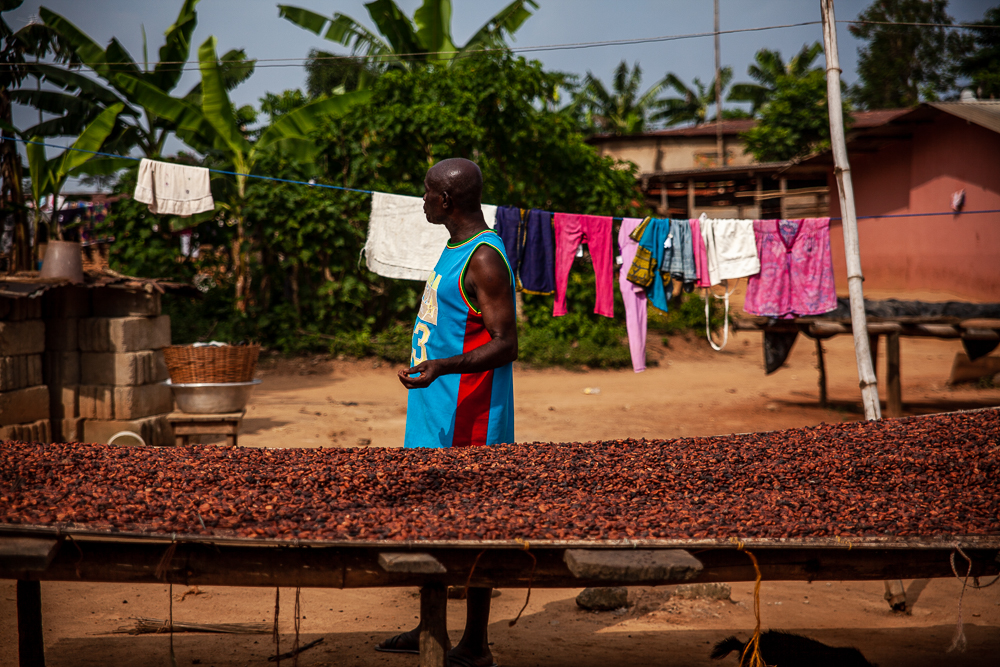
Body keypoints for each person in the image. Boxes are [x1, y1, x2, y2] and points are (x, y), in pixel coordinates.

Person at [376, 158, 516, 667]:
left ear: (447, 201)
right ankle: (429, 625)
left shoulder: (484, 258)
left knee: (476, 524)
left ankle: (476, 644)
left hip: (469, 416)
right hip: (435, 409)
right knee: (430, 520)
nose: (423, 201)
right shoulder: (454, 245)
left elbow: (506, 344)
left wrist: (443, 367)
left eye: (427, 193)